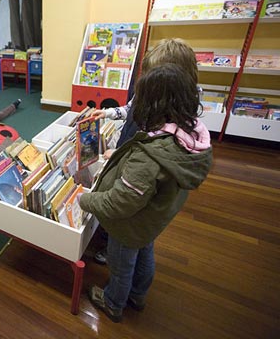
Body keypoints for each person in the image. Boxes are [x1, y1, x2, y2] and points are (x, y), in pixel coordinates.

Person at [79, 63, 213, 323]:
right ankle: (138, 296)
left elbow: (120, 203)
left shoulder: (150, 155)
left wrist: (86, 199)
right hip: (151, 220)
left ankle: (114, 302)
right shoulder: (190, 135)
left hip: (128, 225)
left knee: (121, 265)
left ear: (151, 103)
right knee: (144, 252)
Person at [90, 38, 199, 265]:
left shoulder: (171, 119)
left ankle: (113, 247)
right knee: (118, 193)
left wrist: (122, 156)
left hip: (135, 163)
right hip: (128, 151)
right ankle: (107, 235)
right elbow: (129, 108)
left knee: (126, 206)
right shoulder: (148, 91)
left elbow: (152, 154)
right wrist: (107, 114)